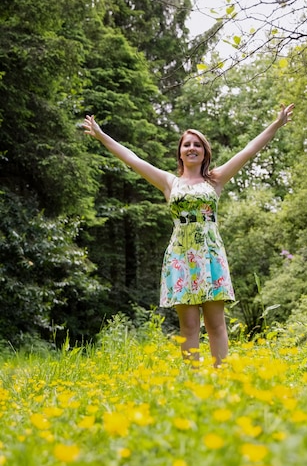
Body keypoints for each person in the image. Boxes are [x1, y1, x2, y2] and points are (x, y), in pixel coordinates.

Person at [82, 104, 294, 366]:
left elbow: (248, 151)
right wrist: (102, 135)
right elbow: (132, 159)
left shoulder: (214, 180)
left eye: (197, 145)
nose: (192, 148)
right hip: (181, 257)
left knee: (216, 324)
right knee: (189, 326)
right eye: (186, 145)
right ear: (180, 153)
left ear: (205, 153)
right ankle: (193, 382)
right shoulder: (170, 182)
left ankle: (221, 377)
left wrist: (276, 124)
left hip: (210, 256)